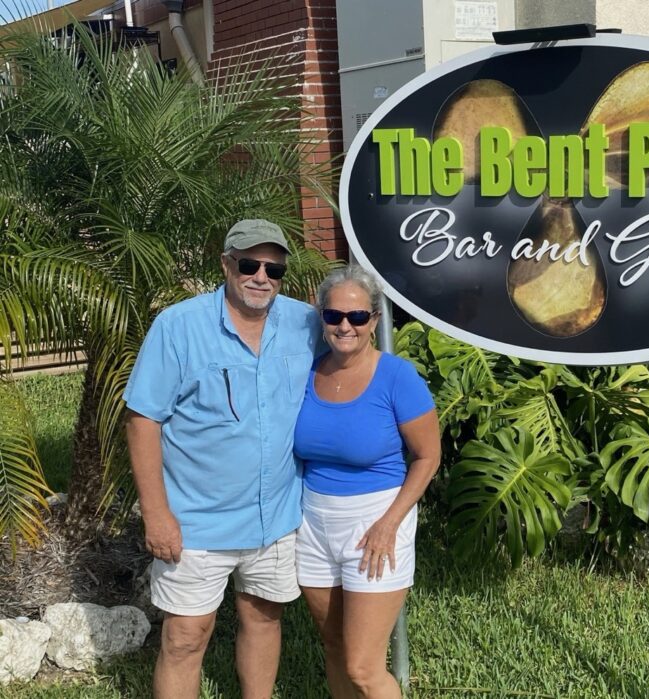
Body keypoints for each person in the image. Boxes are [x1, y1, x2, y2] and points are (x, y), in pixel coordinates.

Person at [123, 219, 320, 699]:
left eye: (274, 270)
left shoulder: (305, 323)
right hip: (195, 523)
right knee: (186, 638)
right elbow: (142, 419)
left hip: (274, 518)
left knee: (262, 619)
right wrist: (156, 513)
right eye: (249, 264)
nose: (261, 278)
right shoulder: (179, 325)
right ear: (226, 264)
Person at [294, 265, 441, 699]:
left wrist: (389, 523)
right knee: (335, 646)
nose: (345, 326)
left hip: (375, 524)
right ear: (321, 317)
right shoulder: (307, 373)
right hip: (313, 526)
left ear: (374, 321)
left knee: (362, 665)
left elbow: (428, 456)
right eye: (335, 315)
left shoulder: (397, 378)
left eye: (357, 317)